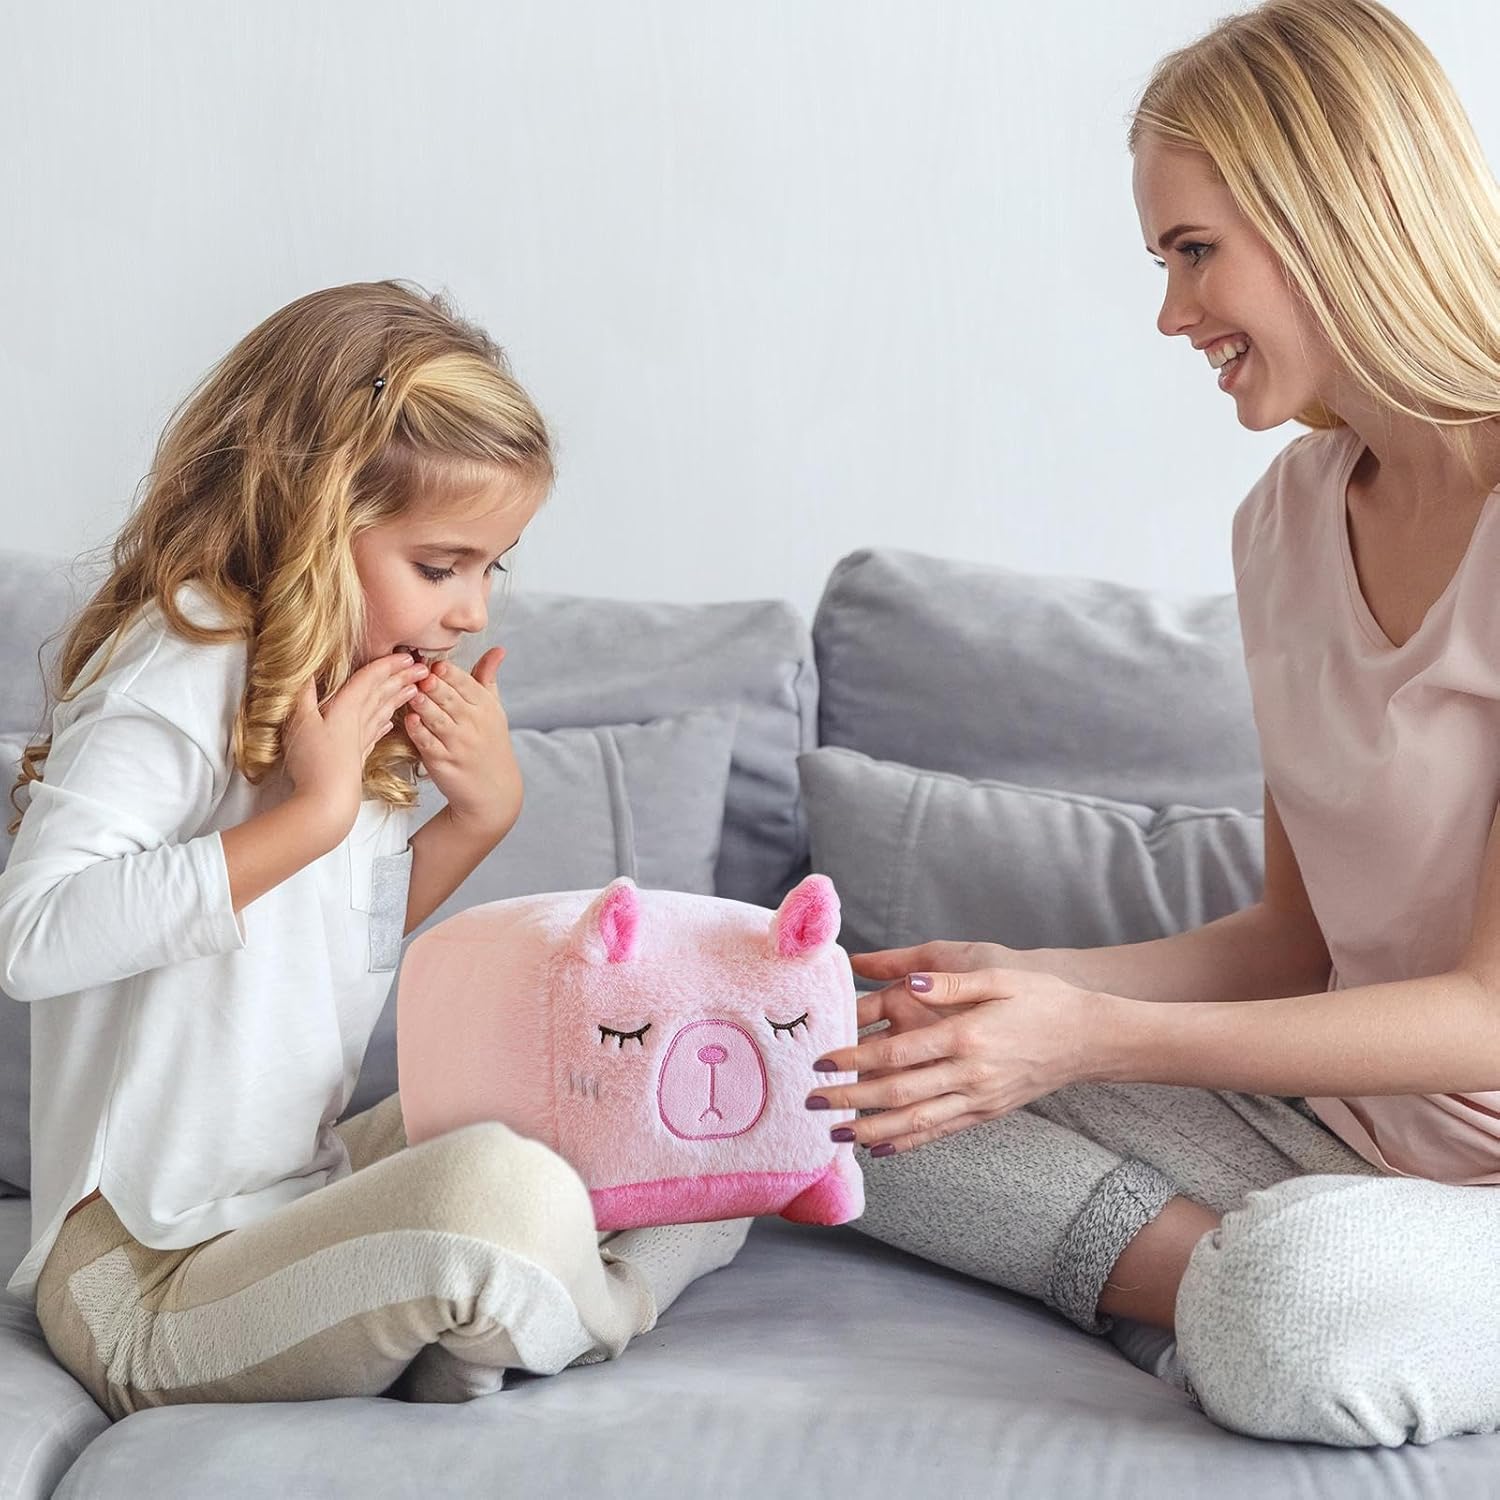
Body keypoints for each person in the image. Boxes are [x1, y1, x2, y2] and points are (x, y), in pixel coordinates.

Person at [800, 0, 1500, 1447]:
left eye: (1194, 252)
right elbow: (1291, 944)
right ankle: (1216, 1290)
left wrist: (1090, 1038)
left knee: (1298, 1305)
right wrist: (1026, 991)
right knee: (837, 1085)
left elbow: (1489, 1013)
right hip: (1332, 1138)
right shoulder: (1284, 523)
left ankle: (1234, 1296)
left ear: (1333, 212)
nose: (1174, 316)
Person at [0, 280, 748, 1417]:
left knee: (677, 1080)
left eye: (492, 567)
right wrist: (309, 817)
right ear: (313, 522)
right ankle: (583, 1303)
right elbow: (33, 938)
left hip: (299, 1202)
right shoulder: (182, 658)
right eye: (440, 567)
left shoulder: (351, 680)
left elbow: (319, 948)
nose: (472, 611)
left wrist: (478, 818)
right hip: (143, 1276)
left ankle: (472, 1311)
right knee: (497, 1196)